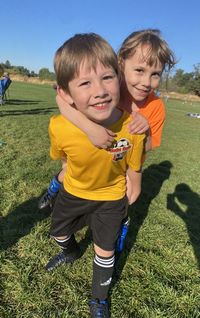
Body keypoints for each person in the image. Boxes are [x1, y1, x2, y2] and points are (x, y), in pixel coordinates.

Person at [39, 29, 176, 253]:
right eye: (139, 71)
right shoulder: (111, 89)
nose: (146, 82)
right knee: (68, 170)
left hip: (124, 163)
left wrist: (145, 132)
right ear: (120, 64)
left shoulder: (156, 107)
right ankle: (52, 190)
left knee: (122, 200)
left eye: (155, 74)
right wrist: (90, 128)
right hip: (93, 152)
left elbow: (149, 147)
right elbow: (61, 100)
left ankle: (119, 229)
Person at [46, 32, 145, 317]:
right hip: (74, 193)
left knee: (105, 250)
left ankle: (99, 299)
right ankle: (71, 251)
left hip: (111, 198)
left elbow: (134, 165)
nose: (99, 90)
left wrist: (135, 181)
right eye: (85, 83)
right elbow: (64, 157)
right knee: (59, 232)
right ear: (66, 94)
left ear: (119, 78)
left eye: (107, 78)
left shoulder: (133, 127)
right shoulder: (59, 126)